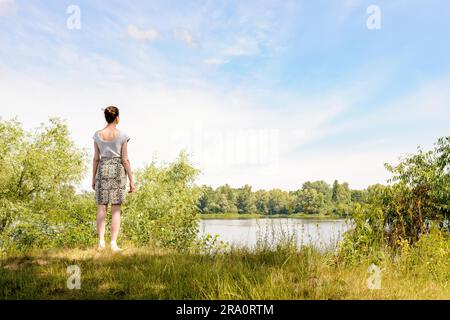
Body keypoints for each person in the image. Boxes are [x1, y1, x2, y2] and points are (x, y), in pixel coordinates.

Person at [92, 106, 135, 252]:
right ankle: (114, 243)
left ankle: (101, 242)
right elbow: (125, 160)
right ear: (117, 117)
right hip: (117, 170)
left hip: (103, 169)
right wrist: (131, 180)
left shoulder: (97, 135)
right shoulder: (122, 135)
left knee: (102, 206)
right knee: (116, 208)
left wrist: (93, 178)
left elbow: (96, 158)